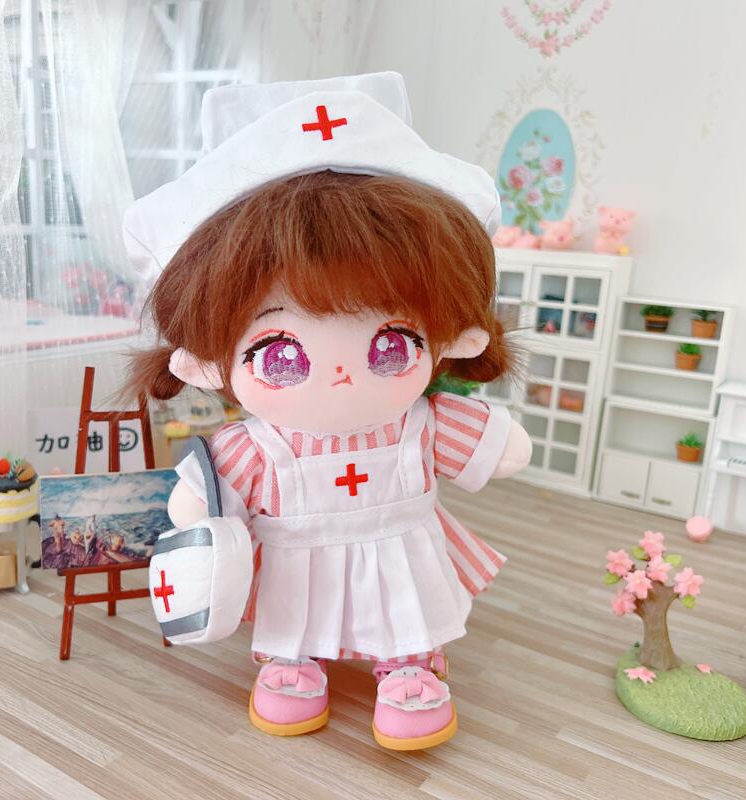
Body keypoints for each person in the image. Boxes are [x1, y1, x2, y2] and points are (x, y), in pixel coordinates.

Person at [123, 73, 531, 750]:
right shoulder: (254, 446)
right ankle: (292, 658)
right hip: (296, 558)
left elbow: (501, 448)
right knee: (293, 601)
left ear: (451, 338)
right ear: (208, 361)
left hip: (398, 546)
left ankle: (409, 660)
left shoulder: (421, 424)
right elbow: (199, 499)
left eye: (391, 343)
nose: (341, 375)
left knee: (404, 600)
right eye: (281, 353)